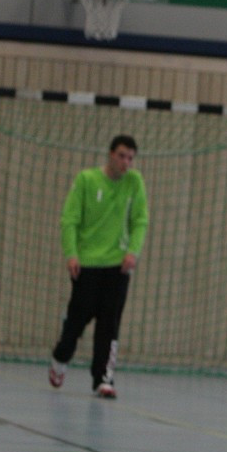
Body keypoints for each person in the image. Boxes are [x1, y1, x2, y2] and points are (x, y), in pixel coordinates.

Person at [48, 134, 149, 399]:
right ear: (110, 154)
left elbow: (140, 220)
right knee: (78, 319)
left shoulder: (134, 182)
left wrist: (133, 252)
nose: (126, 163)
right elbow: (69, 219)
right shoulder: (86, 180)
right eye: (121, 156)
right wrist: (71, 254)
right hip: (88, 263)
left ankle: (103, 379)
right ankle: (61, 356)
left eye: (130, 158)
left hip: (118, 266)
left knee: (109, 323)